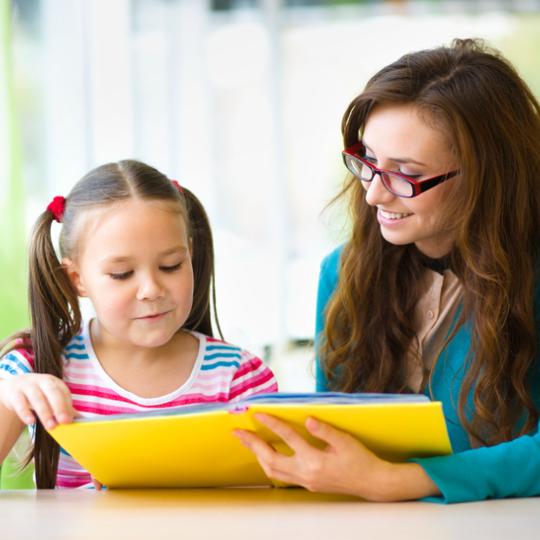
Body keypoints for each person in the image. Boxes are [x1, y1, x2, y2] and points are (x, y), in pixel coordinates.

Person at [234, 38, 540, 503]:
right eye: (369, 162)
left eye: (405, 173)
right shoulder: (342, 272)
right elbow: (333, 431)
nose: (375, 195)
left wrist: (401, 480)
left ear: (487, 175)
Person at [0, 160, 278, 489]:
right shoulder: (34, 366)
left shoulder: (238, 376)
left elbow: (267, 498)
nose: (151, 290)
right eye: (122, 274)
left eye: (171, 265)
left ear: (190, 254)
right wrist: (7, 397)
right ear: (77, 279)